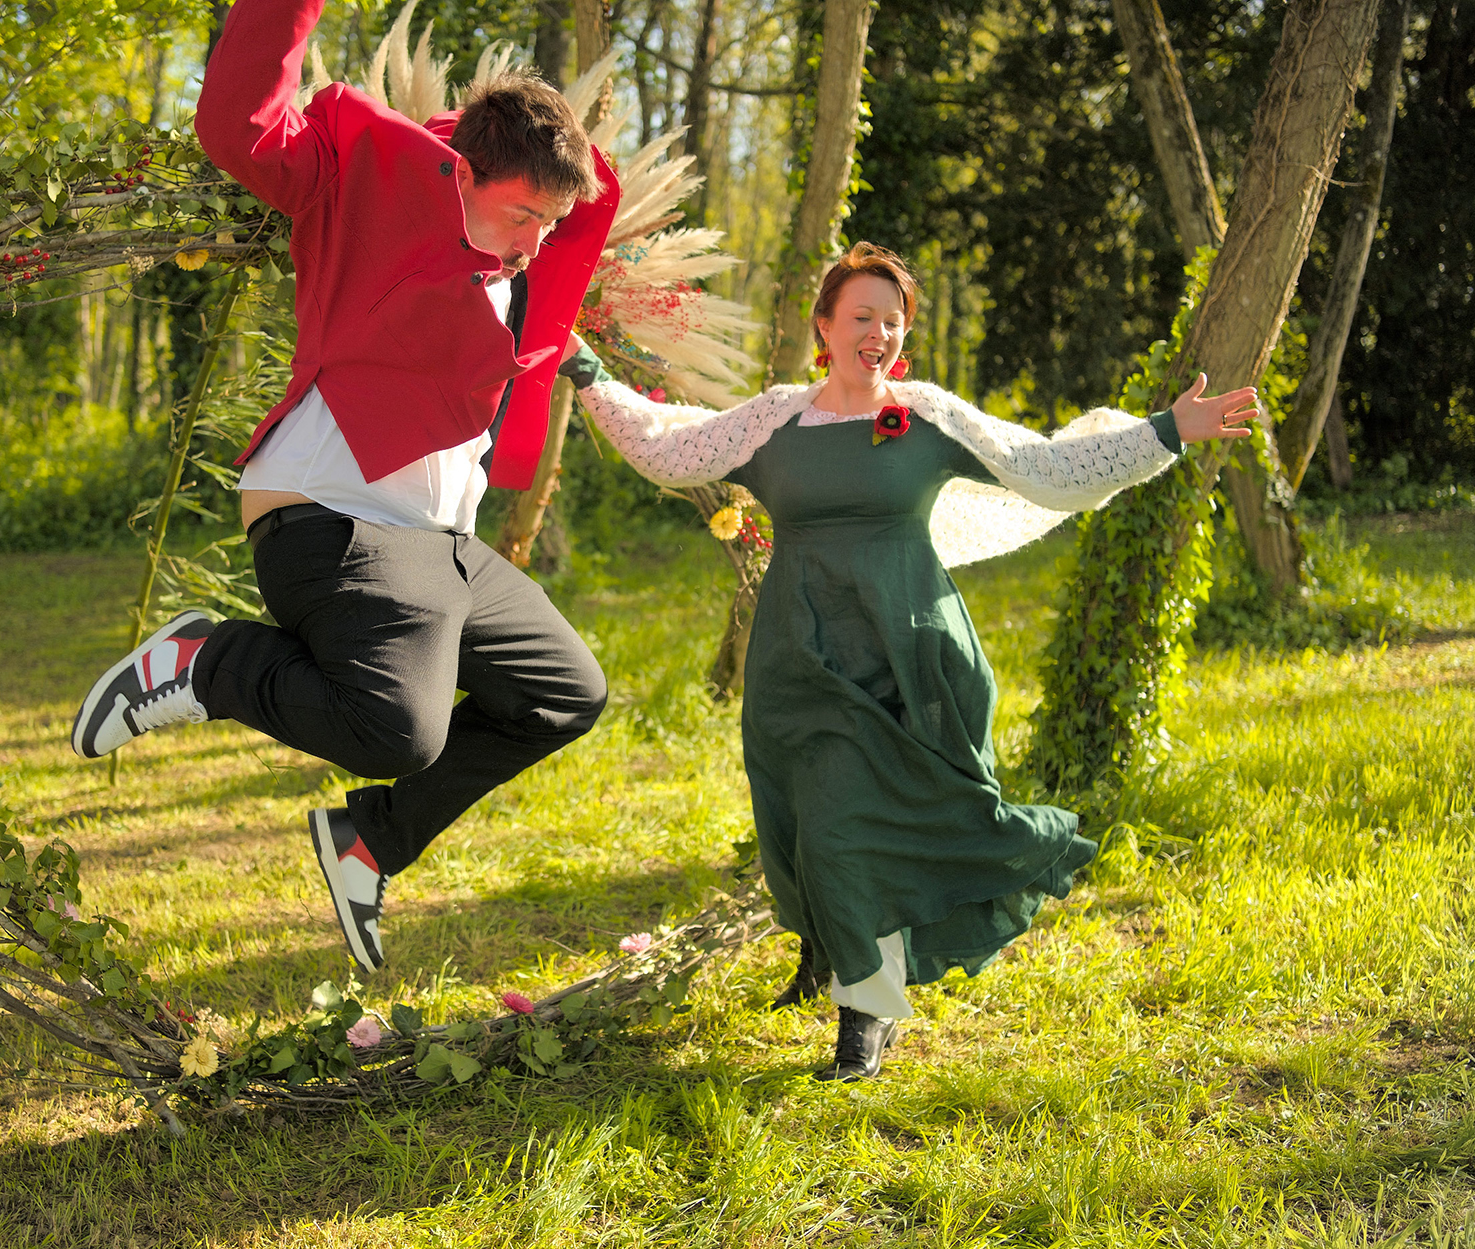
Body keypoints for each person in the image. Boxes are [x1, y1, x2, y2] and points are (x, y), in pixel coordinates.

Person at [561, 243, 1258, 1081]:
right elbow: (668, 445)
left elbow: (1046, 466)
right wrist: (584, 368)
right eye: (862, 316)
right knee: (819, 821)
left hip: (911, 652)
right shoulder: (773, 422)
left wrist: (1166, 431)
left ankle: (866, 1011)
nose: (880, 333)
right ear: (824, 326)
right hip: (801, 658)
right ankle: (849, 967)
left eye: (893, 321)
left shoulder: (927, 416)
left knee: (873, 819)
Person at [68, 0, 622, 974]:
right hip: (334, 512)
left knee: (564, 692)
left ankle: (370, 840)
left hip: (442, 542)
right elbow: (237, 126)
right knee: (396, 732)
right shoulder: (363, 182)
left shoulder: (516, 262)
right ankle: (204, 664)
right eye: (523, 215)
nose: (535, 241)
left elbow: (545, 256)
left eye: (549, 222)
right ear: (462, 171)